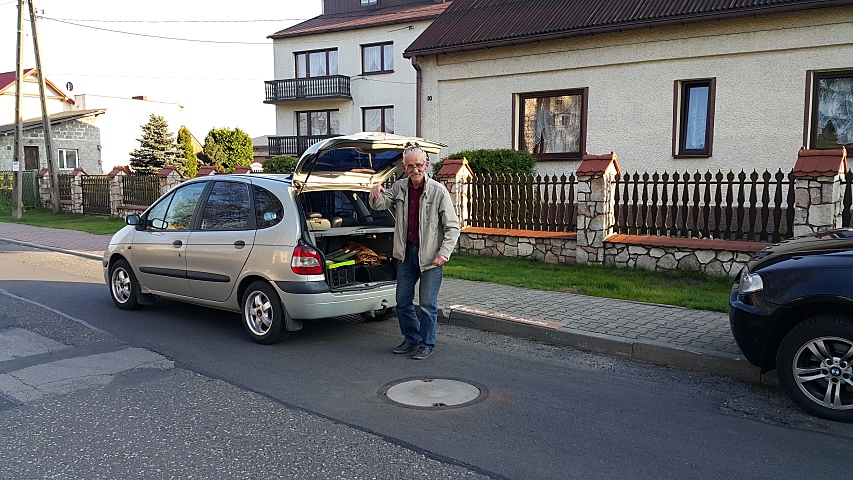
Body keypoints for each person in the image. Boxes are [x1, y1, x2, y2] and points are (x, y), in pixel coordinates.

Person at [369, 143, 460, 360]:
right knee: (402, 302)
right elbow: (380, 205)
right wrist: (375, 192)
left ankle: (427, 343)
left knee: (427, 305)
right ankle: (411, 339)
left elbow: (452, 227)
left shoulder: (438, 191)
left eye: (418, 165)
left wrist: (444, 253)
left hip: (430, 257)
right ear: (404, 167)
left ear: (426, 165)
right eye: (410, 166)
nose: (415, 169)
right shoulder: (399, 187)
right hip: (405, 255)